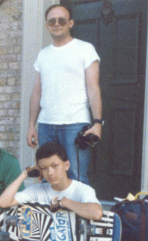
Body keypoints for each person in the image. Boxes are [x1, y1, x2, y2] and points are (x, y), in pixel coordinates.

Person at [27, 4, 103, 184]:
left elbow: (93, 88)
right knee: (47, 176)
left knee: (76, 176)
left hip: (75, 124)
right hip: (46, 125)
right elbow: (37, 91)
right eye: (52, 21)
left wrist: (98, 122)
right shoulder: (43, 55)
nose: (57, 24)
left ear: (70, 23)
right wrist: (31, 124)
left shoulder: (85, 49)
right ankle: (51, 212)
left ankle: (78, 213)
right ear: (47, 25)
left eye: (61, 20)